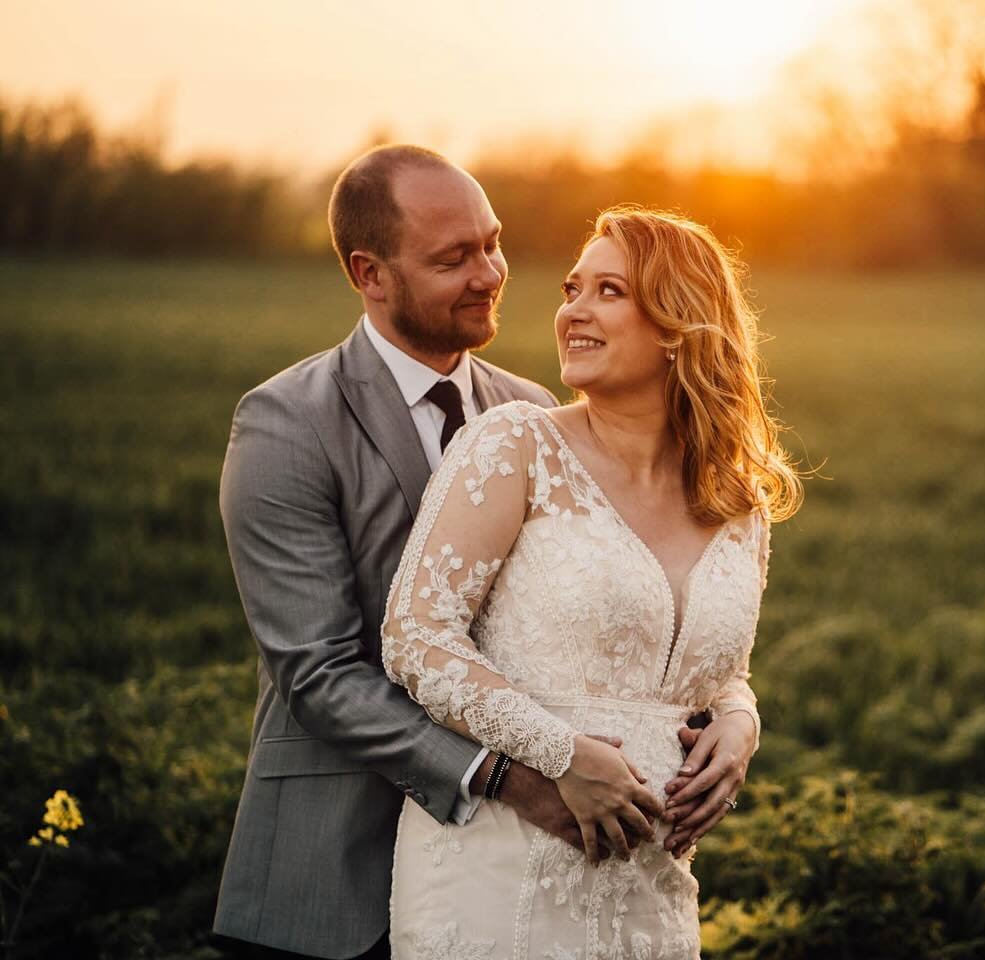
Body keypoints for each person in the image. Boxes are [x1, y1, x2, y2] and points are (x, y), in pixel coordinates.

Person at [213, 146, 763, 959]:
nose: (491, 274)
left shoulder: (536, 410)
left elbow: (662, 642)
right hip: (337, 861)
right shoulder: (287, 423)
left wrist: (737, 717)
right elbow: (320, 670)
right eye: (453, 258)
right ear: (372, 273)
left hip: (600, 857)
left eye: (492, 244)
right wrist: (513, 776)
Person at [382, 206, 801, 959]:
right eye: (573, 289)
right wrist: (559, 752)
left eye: (609, 291)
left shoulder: (735, 498)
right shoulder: (515, 445)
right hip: (500, 871)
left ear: (679, 325)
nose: (573, 309)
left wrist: (741, 724)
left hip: (650, 889)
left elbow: (720, 671)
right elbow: (415, 638)